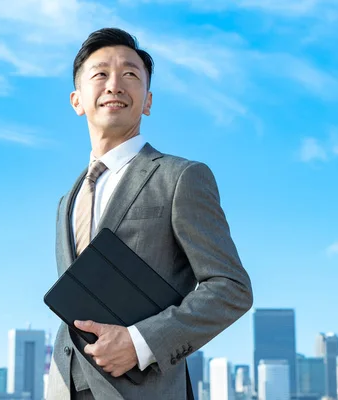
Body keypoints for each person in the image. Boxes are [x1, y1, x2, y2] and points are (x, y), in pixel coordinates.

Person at [46, 27, 253, 400]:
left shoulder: (181, 177)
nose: (114, 85)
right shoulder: (68, 200)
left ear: (148, 101)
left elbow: (231, 288)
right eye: (100, 75)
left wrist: (139, 343)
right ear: (77, 100)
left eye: (130, 75)